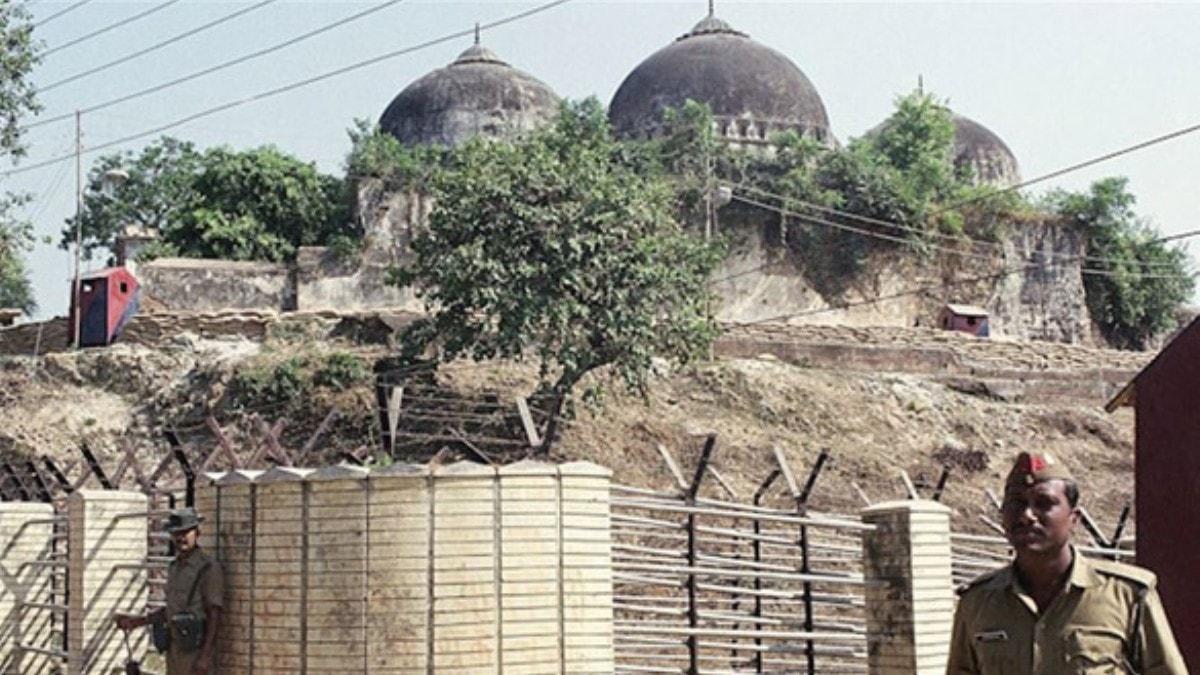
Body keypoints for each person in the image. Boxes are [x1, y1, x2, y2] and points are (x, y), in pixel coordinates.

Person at [946, 451, 1187, 674]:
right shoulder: (977, 602)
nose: (1027, 515)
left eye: (1044, 503)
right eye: (1016, 503)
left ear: (1074, 519)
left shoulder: (1127, 596)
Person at [116, 507, 225, 675]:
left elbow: (214, 614)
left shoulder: (207, 568)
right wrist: (137, 622)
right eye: (176, 533)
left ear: (197, 533)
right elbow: (172, 610)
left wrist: (205, 656)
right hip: (175, 648)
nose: (181, 537)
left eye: (186, 532)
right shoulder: (174, 568)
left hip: (196, 650)